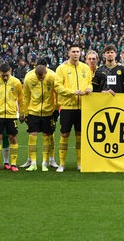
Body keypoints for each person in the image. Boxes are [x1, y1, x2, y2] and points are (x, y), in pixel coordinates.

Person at [54, 44, 93, 172]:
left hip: (82, 107)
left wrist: (89, 89)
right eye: (73, 51)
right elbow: (58, 86)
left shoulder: (85, 68)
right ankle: (62, 163)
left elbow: (89, 83)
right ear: (68, 53)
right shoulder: (61, 68)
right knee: (64, 134)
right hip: (67, 107)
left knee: (80, 135)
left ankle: (80, 163)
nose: (76, 53)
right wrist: (72, 92)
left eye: (78, 51)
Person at [0, 62, 26, 172]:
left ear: (10, 71)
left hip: (11, 115)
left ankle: (13, 164)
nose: (5, 77)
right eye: (3, 75)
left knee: (13, 138)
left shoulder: (16, 82)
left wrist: (22, 113)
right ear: (0, 73)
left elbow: (21, 99)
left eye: (7, 75)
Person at [20, 57, 59, 169]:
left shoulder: (52, 76)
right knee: (32, 135)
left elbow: (57, 93)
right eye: (38, 76)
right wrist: (24, 112)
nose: (41, 78)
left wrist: (56, 108)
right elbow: (26, 96)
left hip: (49, 111)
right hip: (33, 111)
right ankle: (31, 161)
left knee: (49, 135)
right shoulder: (29, 77)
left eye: (42, 76)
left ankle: (49, 160)